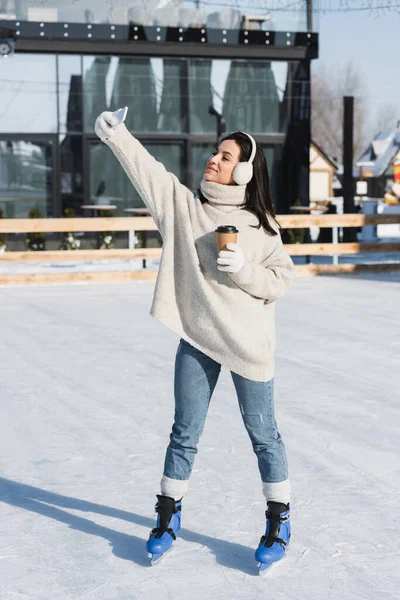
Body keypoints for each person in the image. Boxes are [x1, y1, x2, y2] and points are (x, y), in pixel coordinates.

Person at [95, 110, 295, 572]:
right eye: (215, 152)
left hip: (249, 345)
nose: (213, 160)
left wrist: (243, 269)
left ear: (243, 170)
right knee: (184, 433)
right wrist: (117, 134)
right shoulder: (188, 210)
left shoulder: (262, 227)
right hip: (199, 338)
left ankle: (278, 521)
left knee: (264, 435)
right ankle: (167, 518)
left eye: (225, 157)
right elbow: (151, 174)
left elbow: (280, 281)